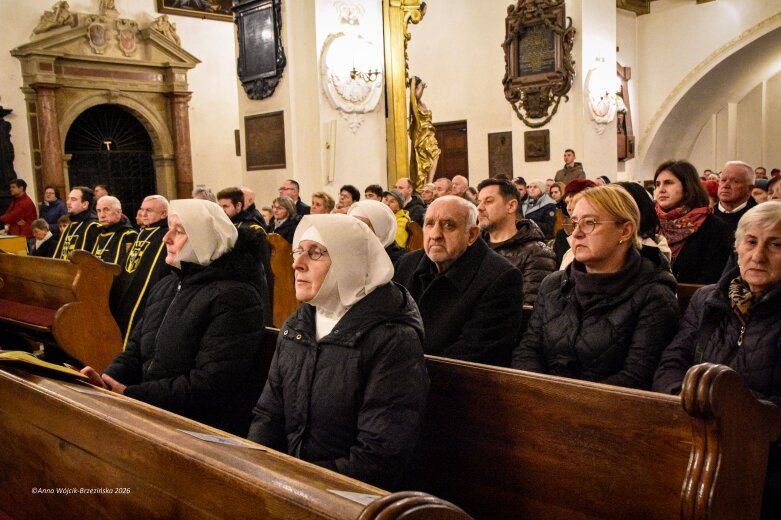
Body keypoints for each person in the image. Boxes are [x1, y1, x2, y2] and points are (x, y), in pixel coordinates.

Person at [248, 214, 429, 490]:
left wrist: (294, 485)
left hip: (349, 498)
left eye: (315, 253)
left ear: (349, 262)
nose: (296, 264)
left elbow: (378, 457)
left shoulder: (392, 338)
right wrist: (258, 473)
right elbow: (268, 414)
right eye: (298, 251)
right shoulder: (297, 325)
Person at [83, 199, 266, 437]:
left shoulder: (236, 297)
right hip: (156, 411)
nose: (166, 238)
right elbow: (136, 350)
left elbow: (210, 385)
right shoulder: (167, 286)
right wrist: (108, 380)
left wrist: (132, 395)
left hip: (199, 428)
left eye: (178, 231)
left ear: (204, 239)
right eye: (169, 228)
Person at [652, 202, 781, 519]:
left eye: (776, 245)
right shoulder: (708, 299)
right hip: (695, 434)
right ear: (737, 247)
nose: (758, 255)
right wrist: (684, 403)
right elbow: (672, 360)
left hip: (768, 457)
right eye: (750, 241)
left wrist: (731, 416)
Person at [512, 185, 679, 389]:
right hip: (542, 404)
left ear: (625, 230)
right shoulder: (553, 284)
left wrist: (566, 404)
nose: (577, 234)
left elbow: (637, 375)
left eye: (590, 222)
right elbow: (528, 349)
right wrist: (539, 394)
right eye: (574, 223)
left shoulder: (654, 294)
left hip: (610, 412)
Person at [393, 196, 524, 366]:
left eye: (449, 225)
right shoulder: (407, 263)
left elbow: (475, 351)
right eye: (429, 223)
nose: (435, 235)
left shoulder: (500, 277)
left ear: (471, 234)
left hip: (455, 382)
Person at [477, 178, 555, 305]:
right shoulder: (473, 247)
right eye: (479, 202)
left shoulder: (537, 253)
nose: (479, 208)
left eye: (488, 201)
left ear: (511, 206)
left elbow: (529, 309)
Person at [654, 160, 731, 283]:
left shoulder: (714, 227)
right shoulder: (651, 223)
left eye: (668, 183)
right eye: (657, 184)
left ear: (687, 187)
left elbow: (712, 280)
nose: (661, 190)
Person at [110, 195, 171, 344]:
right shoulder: (144, 231)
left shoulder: (165, 234)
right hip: (130, 289)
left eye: (148, 210)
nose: (143, 214)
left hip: (148, 294)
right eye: (141, 209)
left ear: (163, 213)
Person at [216, 186, 274, 326]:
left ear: (238, 205)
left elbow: (262, 269)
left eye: (225, 206)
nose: (221, 211)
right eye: (219, 206)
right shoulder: (221, 226)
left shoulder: (253, 229)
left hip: (249, 288)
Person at [348, 199, 405, 265]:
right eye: (351, 225)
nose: (354, 231)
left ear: (380, 229)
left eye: (361, 226)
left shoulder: (401, 261)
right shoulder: (351, 253)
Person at [409, 76, 441, 189]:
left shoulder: (422, 104)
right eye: (418, 87)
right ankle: (427, 182)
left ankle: (429, 181)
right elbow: (416, 96)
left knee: (435, 154)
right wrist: (420, 87)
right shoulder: (414, 103)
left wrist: (421, 86)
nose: (421, 89)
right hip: (422, 134)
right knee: (428, 158)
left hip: (429, 132)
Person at [52, 186, 100, 259]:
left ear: (85, 204)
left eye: (73, 199)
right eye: (68, 199)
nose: (68, 202)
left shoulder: (94, 226)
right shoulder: (70, 226)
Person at [713, 161, 757, 238]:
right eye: (723, 180)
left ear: (749, 189)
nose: (726, 185)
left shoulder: (761, 218)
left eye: (735, 181)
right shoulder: (705, 216)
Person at [92, 195, 137, 264]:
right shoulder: (100, 234)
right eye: (99, 211)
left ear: (118, 212)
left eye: (106, 210)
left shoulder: (129, 235)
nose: (102, 215)